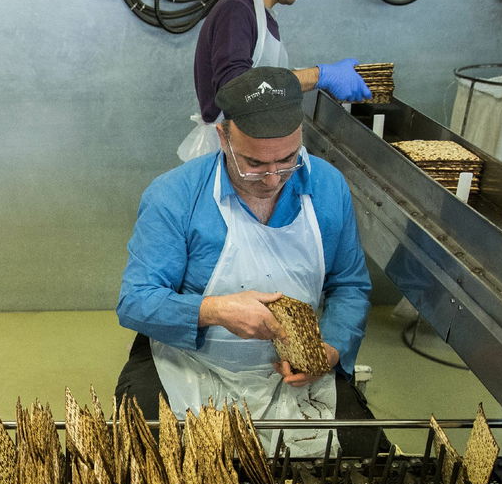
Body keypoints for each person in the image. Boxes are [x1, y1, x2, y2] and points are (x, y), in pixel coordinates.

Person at [118, 66, 373, 456]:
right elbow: (136, 300)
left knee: (361, 465)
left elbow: (349, 286)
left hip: (292, 376)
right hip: (189, 365)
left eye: (287, 159)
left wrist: (333, 348)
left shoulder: (326, 186)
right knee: (157, 467)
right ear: (223, 137)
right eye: (254, 164)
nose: (272, 179)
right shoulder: (176, 194)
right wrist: (214, 310)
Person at [177, 0, 372, 161]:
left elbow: (258, 77)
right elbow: (235, 88)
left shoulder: (258, 11)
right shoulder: (236, 10)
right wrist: (318, 75)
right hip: (232, 157)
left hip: (250, 153)